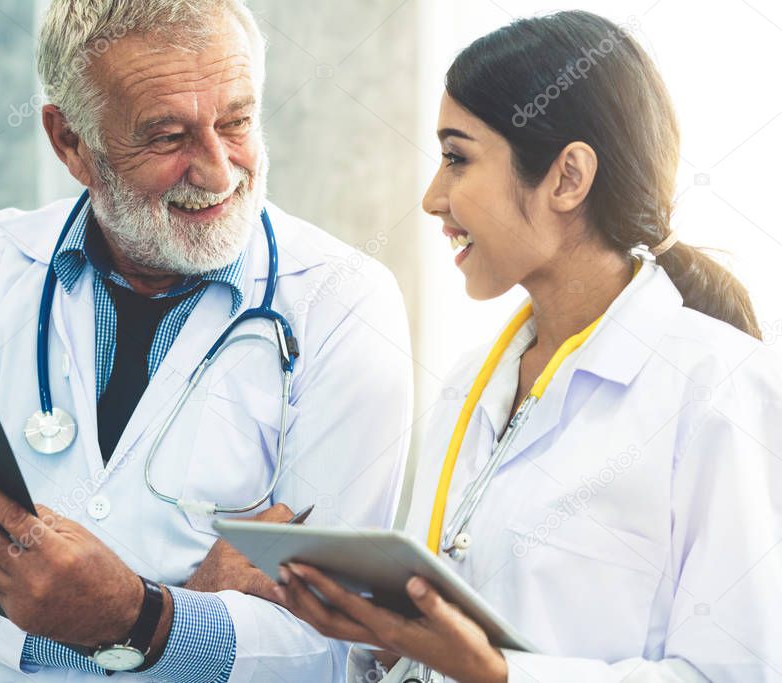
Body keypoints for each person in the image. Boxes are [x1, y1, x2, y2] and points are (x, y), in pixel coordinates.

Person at [0, 1, 413, 681]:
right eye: (166, 135)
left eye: (236, 121)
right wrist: (150, 621)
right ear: (70, 143)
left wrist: (126, 611)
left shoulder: (345, 303)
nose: (217, 169)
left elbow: (330, 646)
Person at [275, 10, 782, 682]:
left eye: (457, 157)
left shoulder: (718, 388)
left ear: (567, 177)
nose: (431, 197)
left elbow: (738, 673)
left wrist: (496, 673)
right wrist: (387, 641)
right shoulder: (468, 384)